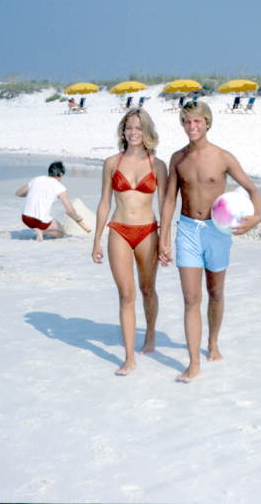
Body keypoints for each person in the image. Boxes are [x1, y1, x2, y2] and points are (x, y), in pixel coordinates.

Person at [158, 101, 261, 382]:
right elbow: (169, 198)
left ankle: (213, 342)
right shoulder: (177, 159)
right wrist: (163, 236)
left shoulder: (223, 157)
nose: (191, 127)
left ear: (207, 123)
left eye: (196, 122)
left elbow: (252, 190)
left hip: (218, 232)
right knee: (191, 298)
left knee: (215, 292)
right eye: (186, 122)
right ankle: (193, 362)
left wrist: (255, 216)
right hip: (188, 230)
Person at [92, 108, 168, 375]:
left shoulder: (157, 165)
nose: (133, 132)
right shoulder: (112, 162)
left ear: (146, 131)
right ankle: (128, 357)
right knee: (126, 294)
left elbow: (165, 205)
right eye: (128, 128)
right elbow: (104, 203)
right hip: (119, 230)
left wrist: (166, 240)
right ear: (122, 132)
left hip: (148, 230)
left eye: (138, 128)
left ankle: (149, 334)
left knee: (148, 289)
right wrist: (96, 240)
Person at [15, 161, 90, 242]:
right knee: (61, 233)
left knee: (45, 222)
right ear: (60, 174)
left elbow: (18, 193)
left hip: (25, 218)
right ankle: (41, 231)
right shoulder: (60, 187)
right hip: (40, 221)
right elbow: (69, 211)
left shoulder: (36, 179)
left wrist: (34, 193)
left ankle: (40, 230)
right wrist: (78, 218)